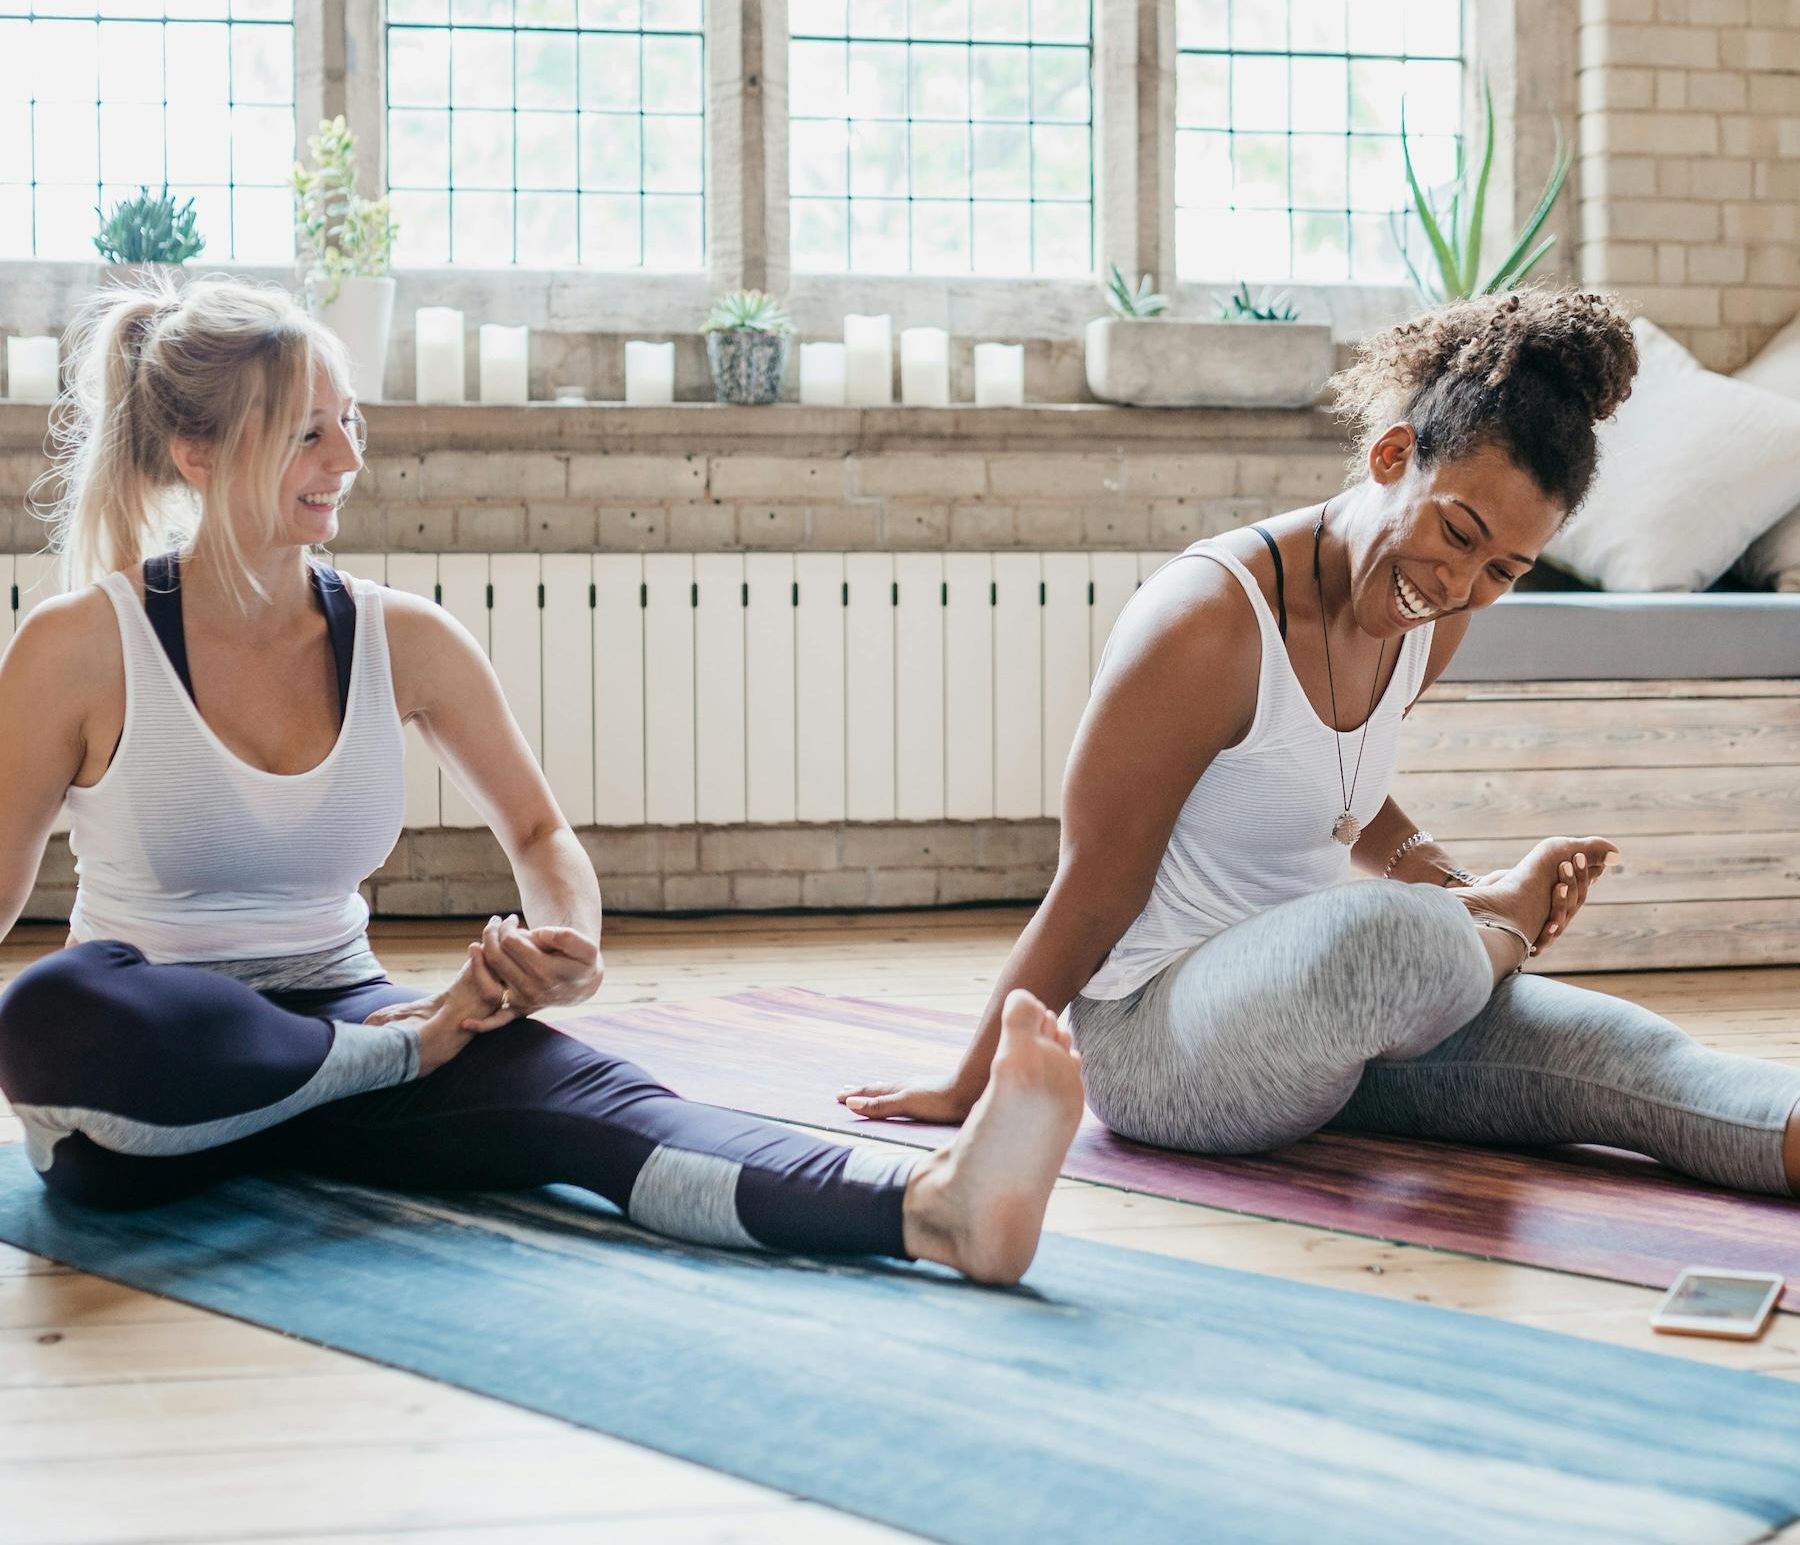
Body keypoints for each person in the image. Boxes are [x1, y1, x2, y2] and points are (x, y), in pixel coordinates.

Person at [0, 271, 1083, 1285]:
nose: (349, 459)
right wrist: (417, 1042)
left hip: (371, 1024)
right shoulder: (80, 646)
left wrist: (570, 945)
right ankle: (380, 1062)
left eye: (351, 425)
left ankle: (939, 1209)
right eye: (306, 433)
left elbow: (540, 838)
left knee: (602, 1102)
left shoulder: (405, 639)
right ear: (196, 452)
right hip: (162, 1079)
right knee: (53, 1004)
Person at [842, 287, 1800, 1199]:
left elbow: (1336, 791)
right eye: (1457, 533)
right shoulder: (1207, 622)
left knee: (1621, 1051)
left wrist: (1448, 881)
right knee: (1394, 936)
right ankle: (1488, 934)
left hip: (1324, 1019)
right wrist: (971, 1084)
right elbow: (1093, 889)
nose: (1461, 584)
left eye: (1504, 568)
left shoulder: (1439, 610)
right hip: (1159, 1041)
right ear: (1391, 457)